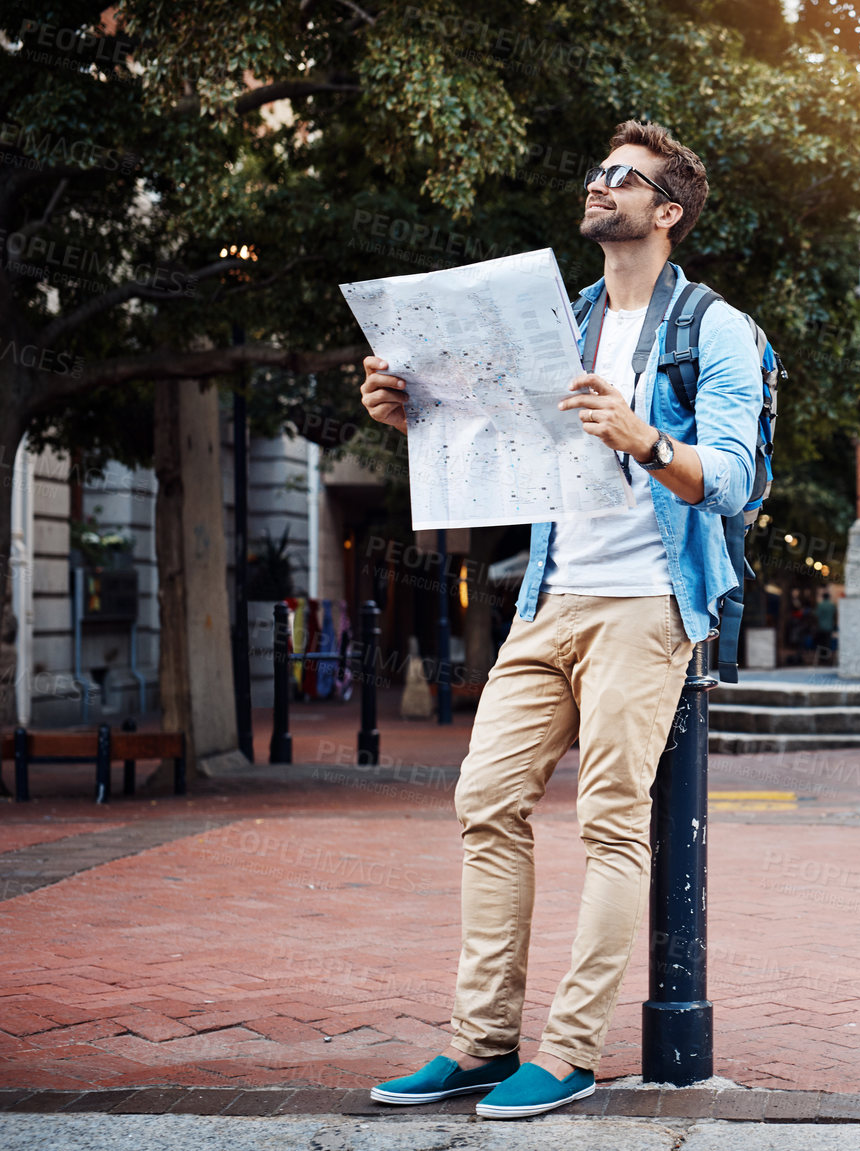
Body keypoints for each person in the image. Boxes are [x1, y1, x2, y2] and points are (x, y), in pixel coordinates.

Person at [357, 121, 762, 1120]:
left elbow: (738, 478)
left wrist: (645, 436)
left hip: (648, 600)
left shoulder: (713, 328)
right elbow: (492, 435)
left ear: (664, 211)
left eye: (619, 176)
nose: (598, 184)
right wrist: (413, 409)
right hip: (547, 597)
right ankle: (482, 1042)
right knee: (484, 797)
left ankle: (570, 1050)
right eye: (596, 171)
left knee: (610, 821)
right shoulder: (556, 321)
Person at [813, 588, 837, 662]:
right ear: (828, 597)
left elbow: (816, 616)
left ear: (823, 597)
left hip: (821, 627)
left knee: (821, 643)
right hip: (829, 627)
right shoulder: (832, 605)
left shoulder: (820, 605)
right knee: (828, 643)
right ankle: (827, 658)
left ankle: (821, 658)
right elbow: (835, 616)